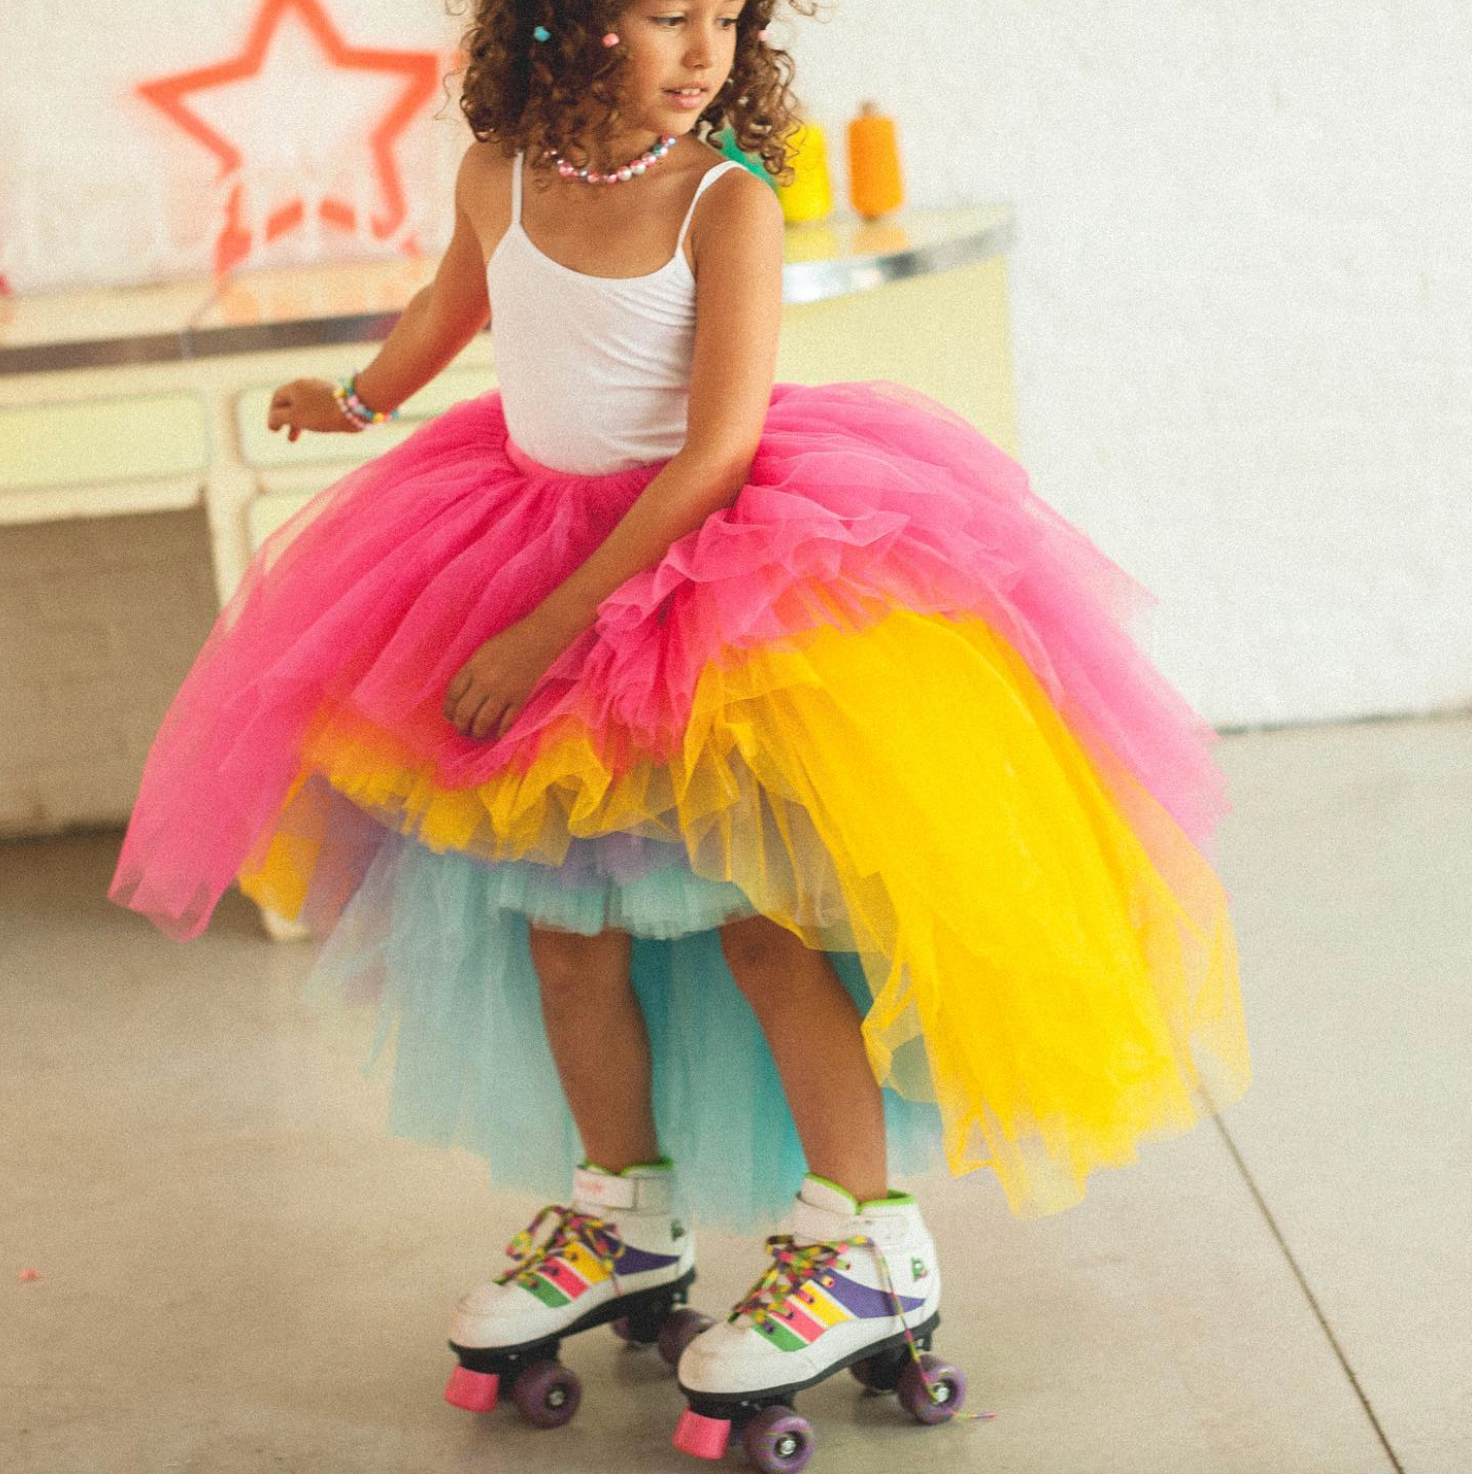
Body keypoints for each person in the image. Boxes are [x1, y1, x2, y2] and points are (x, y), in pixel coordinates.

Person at [109, 0, 1252, 1460]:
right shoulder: (498, 173)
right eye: (667, 15)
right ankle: (625, 1210)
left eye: (727, 16)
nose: (705, 50)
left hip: (700, 588)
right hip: (515, 539)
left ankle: (866, 1237)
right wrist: (353, 395)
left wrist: (547, 632)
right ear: (568, 22)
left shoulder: (728, 205)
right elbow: (455, 305)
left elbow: (713, 454)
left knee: (765, 925)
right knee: (564, 934)